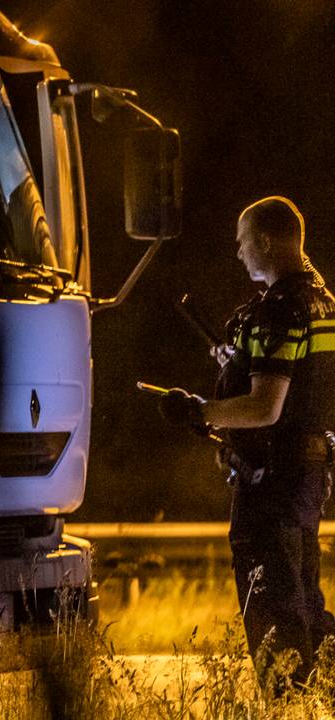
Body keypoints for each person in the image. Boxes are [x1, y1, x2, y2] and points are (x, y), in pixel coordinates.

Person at [160, 196, 335, 689]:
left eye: (242, 242)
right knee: (305, 603)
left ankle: (288, 703)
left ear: (265, 241)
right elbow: (303, 385)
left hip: (271, 486)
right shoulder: (323, 302)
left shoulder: (275, 312)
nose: (238, 252)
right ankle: (319, 700)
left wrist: (199, 410)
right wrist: (239, 364)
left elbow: (265, 408)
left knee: (275, 613)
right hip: (308, 479)